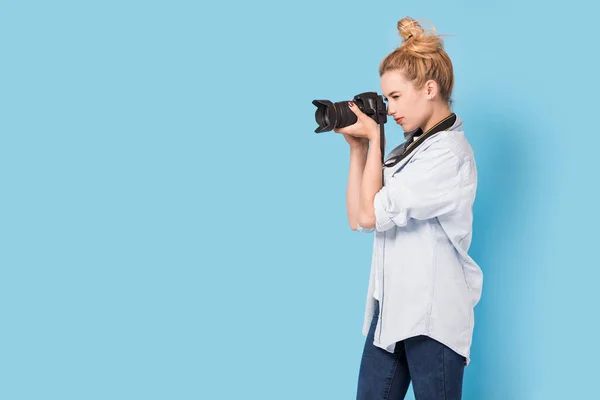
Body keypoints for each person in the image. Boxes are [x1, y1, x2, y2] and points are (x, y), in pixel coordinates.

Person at [333, 17, 484, 400]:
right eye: (386, 100)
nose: (390, 109)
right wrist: (359, 148)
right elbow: (358, 219)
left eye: (396, 97)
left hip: (432, 315)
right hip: (392, 308)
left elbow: (370, 214)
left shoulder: (448, 154)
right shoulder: (410, 150)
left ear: (430, 89)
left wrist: (374, 141)